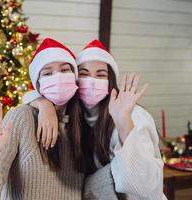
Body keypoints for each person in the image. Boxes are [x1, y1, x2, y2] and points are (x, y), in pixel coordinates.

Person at [0, 38, 118, 200]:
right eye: (48, 73)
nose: (58, 78)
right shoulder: (22, 117)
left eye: (65, 70)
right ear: (38, 83)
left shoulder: (82, 123)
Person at [23, 39, 167, 200]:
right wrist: (44, 105)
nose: (91, 81)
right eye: (84, 74)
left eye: (100, 75)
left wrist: (123, 122)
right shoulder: (75, 113)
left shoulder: (133, 115)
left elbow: (146, 187)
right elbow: (31, 94)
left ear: (110, 81)